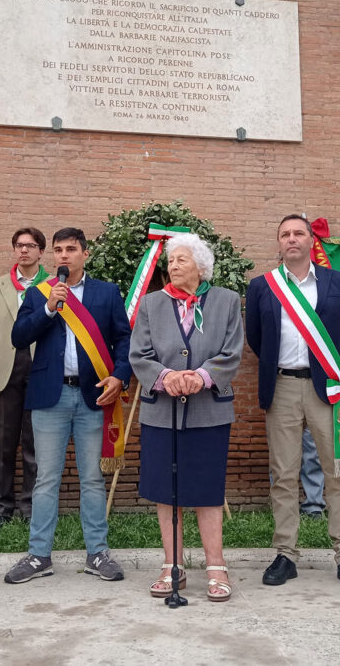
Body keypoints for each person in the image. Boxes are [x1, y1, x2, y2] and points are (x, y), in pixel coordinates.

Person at [246, 214, 340, 590]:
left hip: (327, 388)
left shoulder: (336, 282)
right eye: (284, 234)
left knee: (339, 472)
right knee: (283, 474)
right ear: (279, 243)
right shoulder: (262, 287)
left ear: (310, 240)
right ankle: (286, 553)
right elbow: (256, 337)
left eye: (298, 233)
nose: (292, 239)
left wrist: (324, 366)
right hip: (281, 386)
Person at [4, 228, 132, 584]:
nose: (63, 256)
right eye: (58, 250)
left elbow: (124, 338)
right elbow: (19, 337)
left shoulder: (106, 293)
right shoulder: (39, 293)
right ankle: (38, 555)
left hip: (94, 395)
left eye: (70, 249)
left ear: (84, 254)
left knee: (91, 478)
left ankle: (97, 552)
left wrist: (120, 376)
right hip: (51, 396)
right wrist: (47, 309)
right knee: (46, 478)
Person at [129, 234, 244, 602]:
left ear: (201, 266)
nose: (173, 266)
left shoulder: (226, 301)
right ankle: (171, 566)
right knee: (167, 490)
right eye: (171, 260)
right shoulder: (151, 304)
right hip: (161, 412)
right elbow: (140, 354)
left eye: (181, 259)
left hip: (209, 410)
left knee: (208, 490)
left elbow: (231, 351)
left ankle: (216, 567)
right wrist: (167, 378)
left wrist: (200, 377)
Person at [0, 227, 47, 524]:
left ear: (40, 252)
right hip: (7, 365)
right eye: (19, 245)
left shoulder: (54, 285)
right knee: (2, 441)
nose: (24, 250)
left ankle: (31, 507)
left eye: (30, 245)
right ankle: (0, 508)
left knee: (35, 442)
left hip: (41, 367)